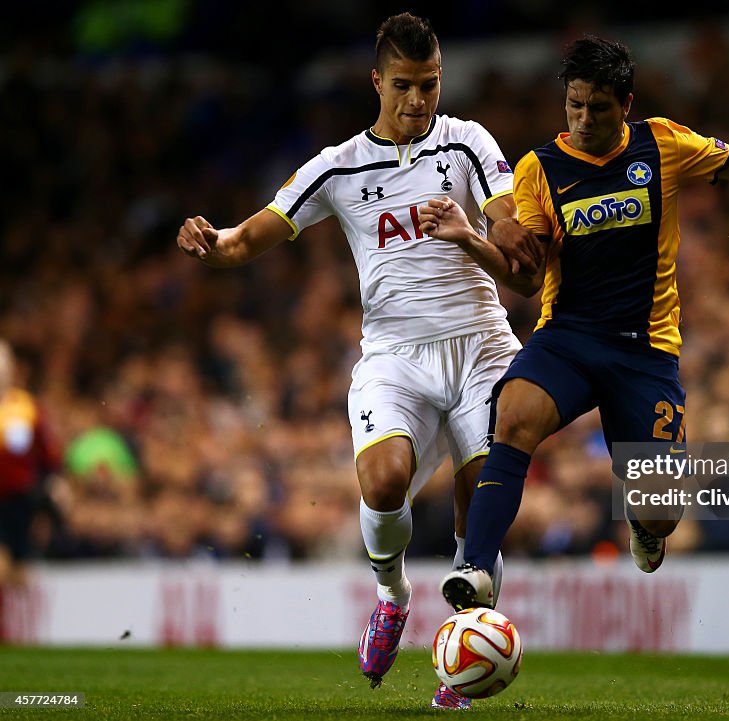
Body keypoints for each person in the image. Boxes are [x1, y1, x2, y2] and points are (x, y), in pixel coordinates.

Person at [419, 35, 729, 611]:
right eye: (574, 105)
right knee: (511, 419)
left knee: (661, 510)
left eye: (598, 108)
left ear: (625, 104)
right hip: (568, 340)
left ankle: (645, 526)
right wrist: (468, 239)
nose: (583, 119)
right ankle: (477, 570)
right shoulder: (540, 170)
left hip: (645, 352)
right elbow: (528, 280)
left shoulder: (664, 144)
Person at [176, 13, 541, 709]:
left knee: (484, 491)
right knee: (382, 480)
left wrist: (499, 229)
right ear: (377, 81)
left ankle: (460, 665)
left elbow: (505, 220)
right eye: (404, 86)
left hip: (481, 345)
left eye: (430, 85)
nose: (418, 101)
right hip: (394, 355)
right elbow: (251, 236)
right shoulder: (338, 165)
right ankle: (392, 593)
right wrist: (213, 241)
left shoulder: (466, 143)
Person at [0, 340, 61, 591]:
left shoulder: (26, 408)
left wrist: (53, 489)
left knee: (19, 576)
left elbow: (48, 456)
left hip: (20, 503)